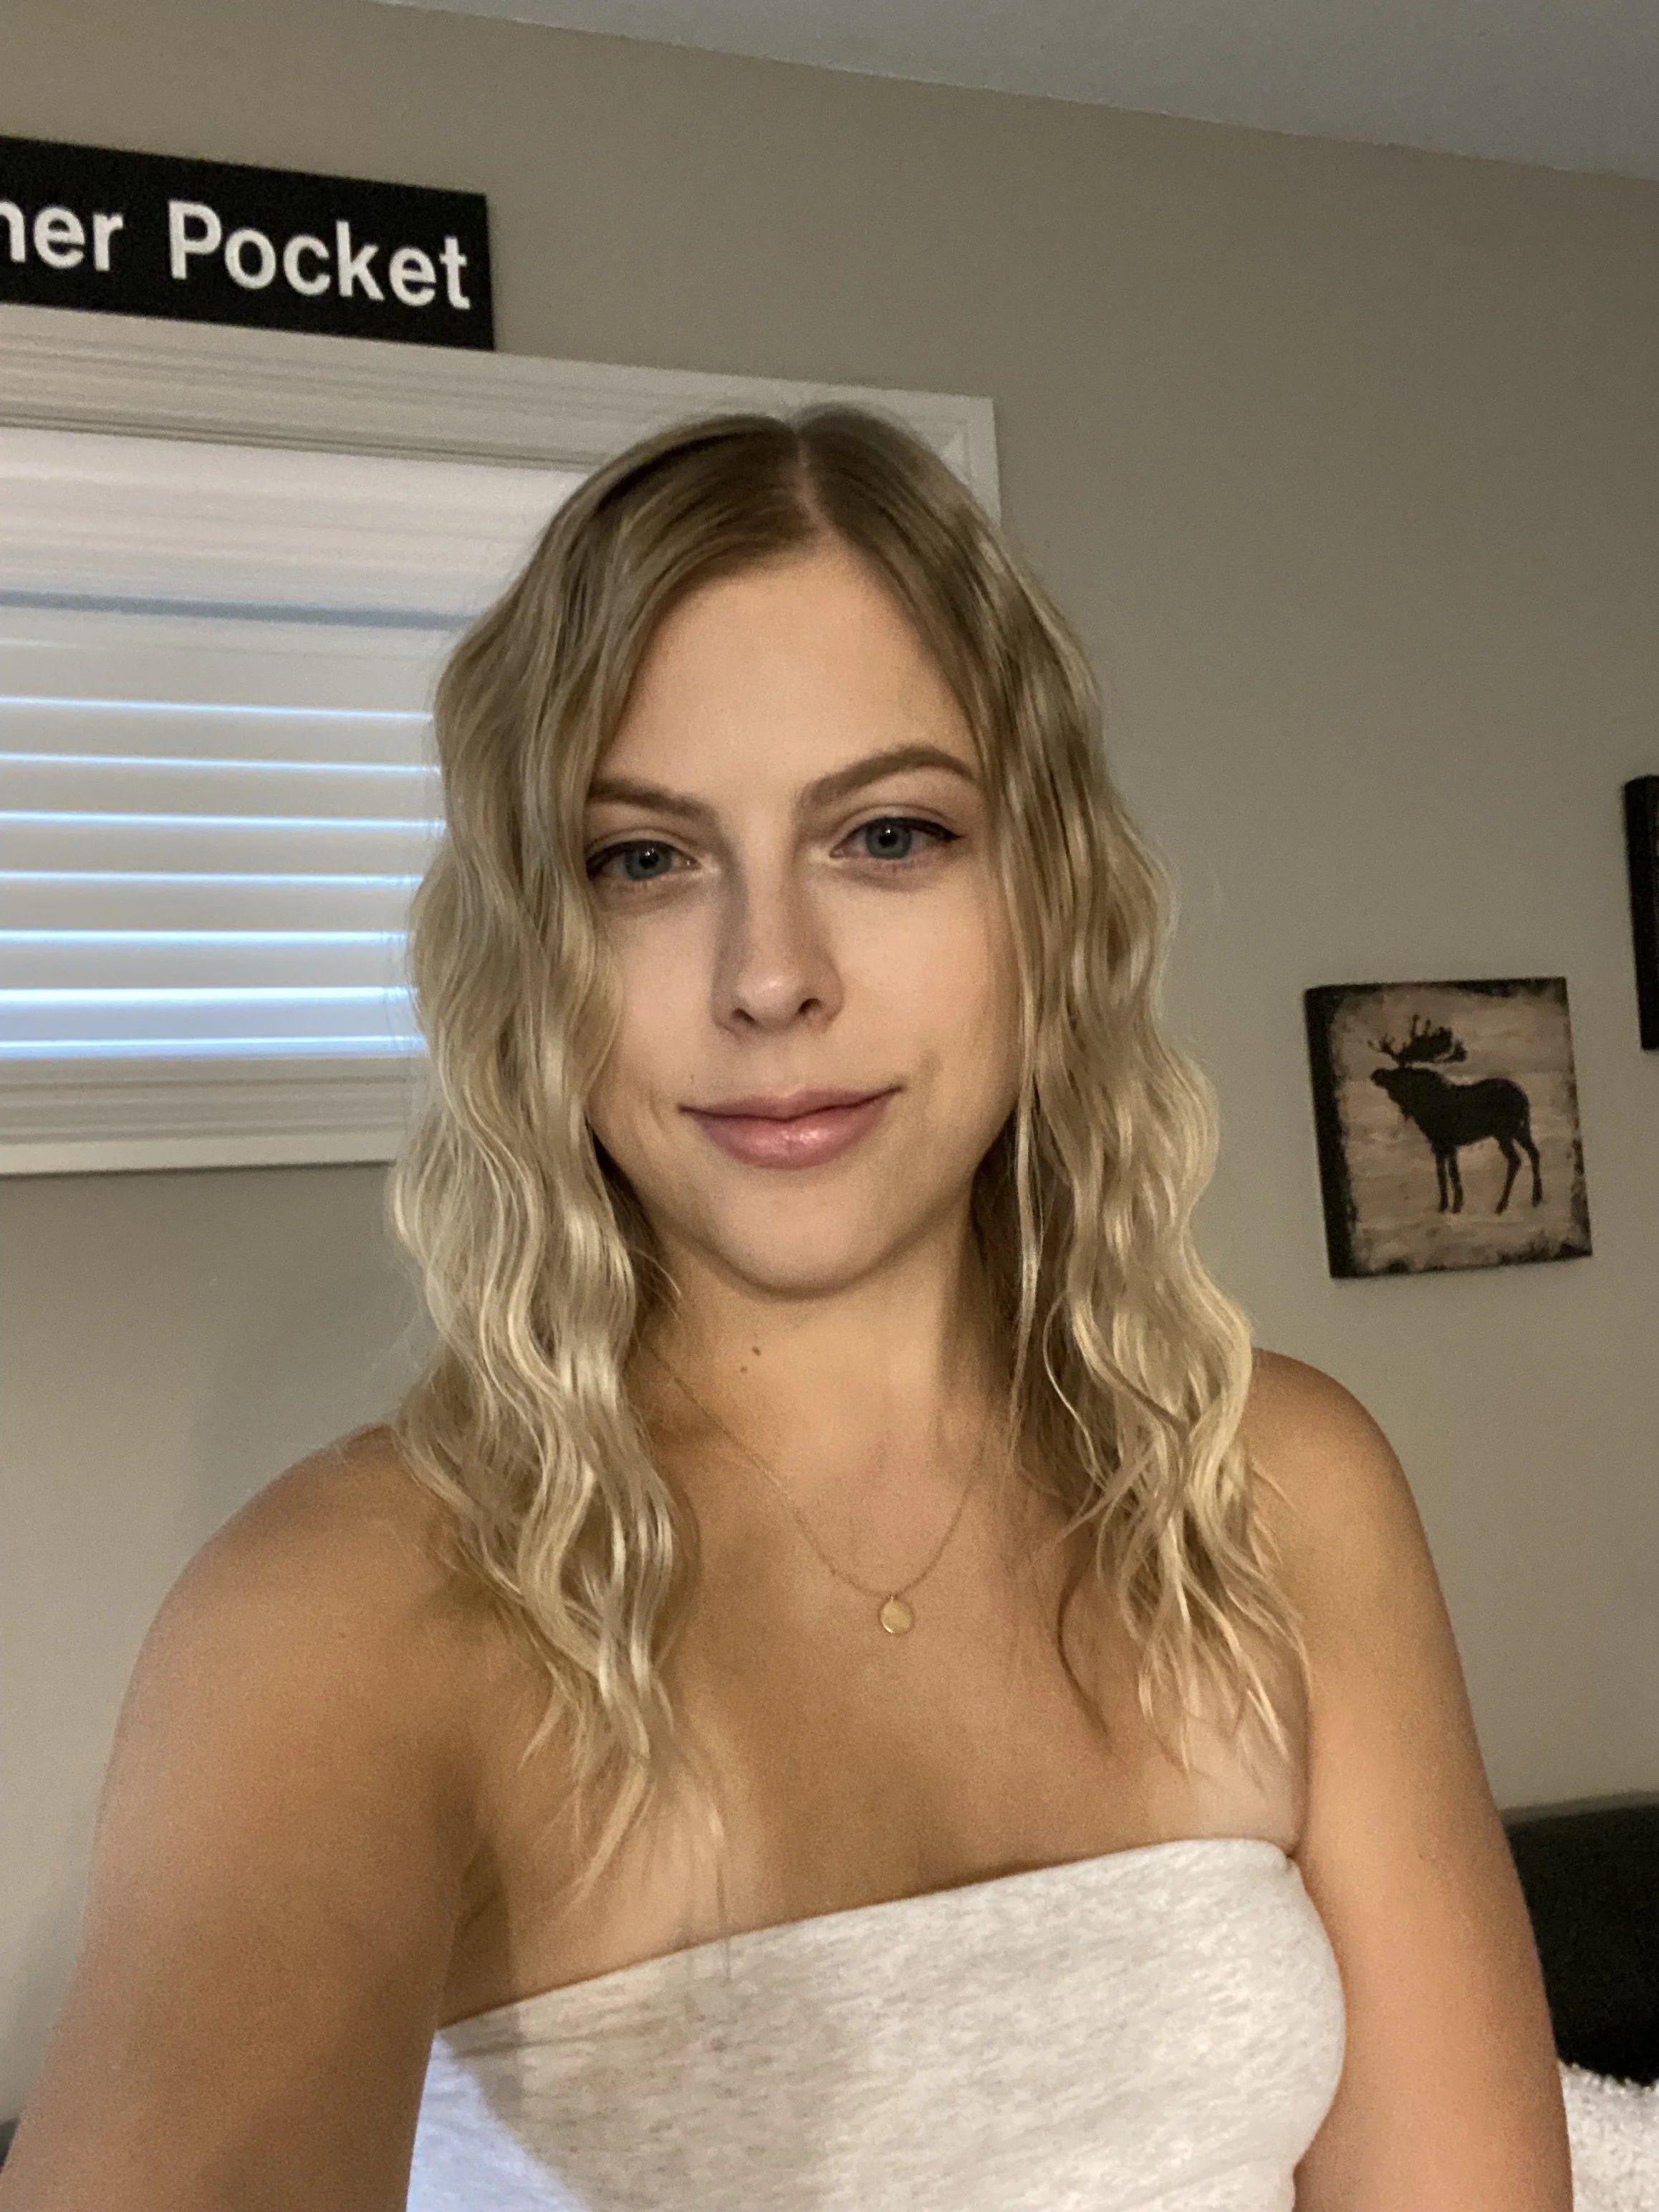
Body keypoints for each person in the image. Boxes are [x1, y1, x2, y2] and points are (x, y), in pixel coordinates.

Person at [1, 408, 1570, 2211]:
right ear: (533, 949)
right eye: (642, 859)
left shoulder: (1282, 1488)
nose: (769, 976)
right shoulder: (346, 1620)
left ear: (1047, 899)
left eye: (888, 834)